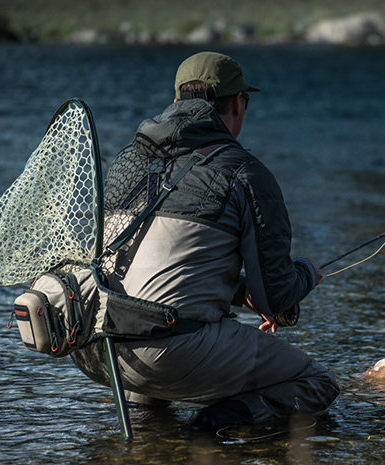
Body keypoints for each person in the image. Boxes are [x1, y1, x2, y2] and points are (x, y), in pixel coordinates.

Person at [70, 51, 339, 429]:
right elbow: (274, 298)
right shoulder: (245, 172)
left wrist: (237, 290)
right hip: (166, 354)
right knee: (316, 383)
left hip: (94, 347)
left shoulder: (127, 161)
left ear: (177, 101)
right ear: (238, 103)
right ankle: (208, 431)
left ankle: (151, 438)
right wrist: (308, 273)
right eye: (244, 100)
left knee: (156, 329)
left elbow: (157, 262)